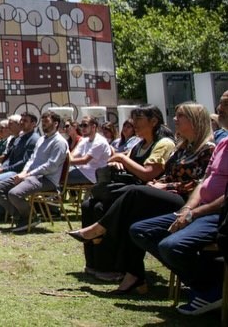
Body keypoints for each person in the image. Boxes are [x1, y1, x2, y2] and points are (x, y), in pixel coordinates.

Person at [67, 102, 215, 295]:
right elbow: (166, 174)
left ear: (195, 120)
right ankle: (133, 275)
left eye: (180, 116)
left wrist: (162, 184)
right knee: (124, 213)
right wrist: (158, 182)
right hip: (161, 193)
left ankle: (100, 228)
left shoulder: (207, 149)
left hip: (185, 201)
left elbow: (200, 184)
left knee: (134, 192)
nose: (175, 120)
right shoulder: (182, 147)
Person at [130, 92, 228, 315]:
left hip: (218, 213)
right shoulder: (223, 144)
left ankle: (211, 290)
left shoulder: (210, 146)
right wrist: (186, 210)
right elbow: (204, 183)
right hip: (195, 208)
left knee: (170, 246)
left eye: (224, 105)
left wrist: (194, 213)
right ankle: (209, 284)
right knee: (140, 230)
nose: (219, 109)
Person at [78, 104, 175, 279]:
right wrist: (118, 162)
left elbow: (148, 173)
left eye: (139, 119)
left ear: (153, 121)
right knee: (88, 205)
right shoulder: (139, 144)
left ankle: (113, 267)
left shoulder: (164, 144)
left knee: (101, 208)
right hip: (128, 189)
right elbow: (123, 162)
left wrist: (122, 158)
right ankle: (94, 263)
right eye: (133, 119)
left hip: (145, 195)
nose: (133, 123)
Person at [0, 111, 68, 233]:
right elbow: (32, 160)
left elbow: (51, 166)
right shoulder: (42, 139)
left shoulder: (59, 142)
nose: (44, 125)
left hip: (46, 179)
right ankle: (22, 216)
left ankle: (29, 217)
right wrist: (24, 173)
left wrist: (28, 174)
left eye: (46, 122)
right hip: (30, 176)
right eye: (42, 122)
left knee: (14, 194)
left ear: (56, 123)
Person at [0, 113, 39, 221]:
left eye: (25, 121)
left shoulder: (33, 139)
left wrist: (4, 169)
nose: (22, 123)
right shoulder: (19, 137)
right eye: (21, 120)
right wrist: (0, 166)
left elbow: (25, 162)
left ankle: (8, 212)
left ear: (33, 124)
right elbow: (8, 156)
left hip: (19, 171)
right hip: (9, 168)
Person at [66, 115, 112, 185]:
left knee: (60, 175)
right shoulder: (85, 140)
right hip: (82, 171)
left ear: (93, 127)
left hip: (93, 175)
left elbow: (84, 160)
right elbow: (73, 155)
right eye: (81, 125)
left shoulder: (100, 142)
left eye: (85, 125)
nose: (82, 128)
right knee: (59, 173)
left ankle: (55, 195)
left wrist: (65, 162)